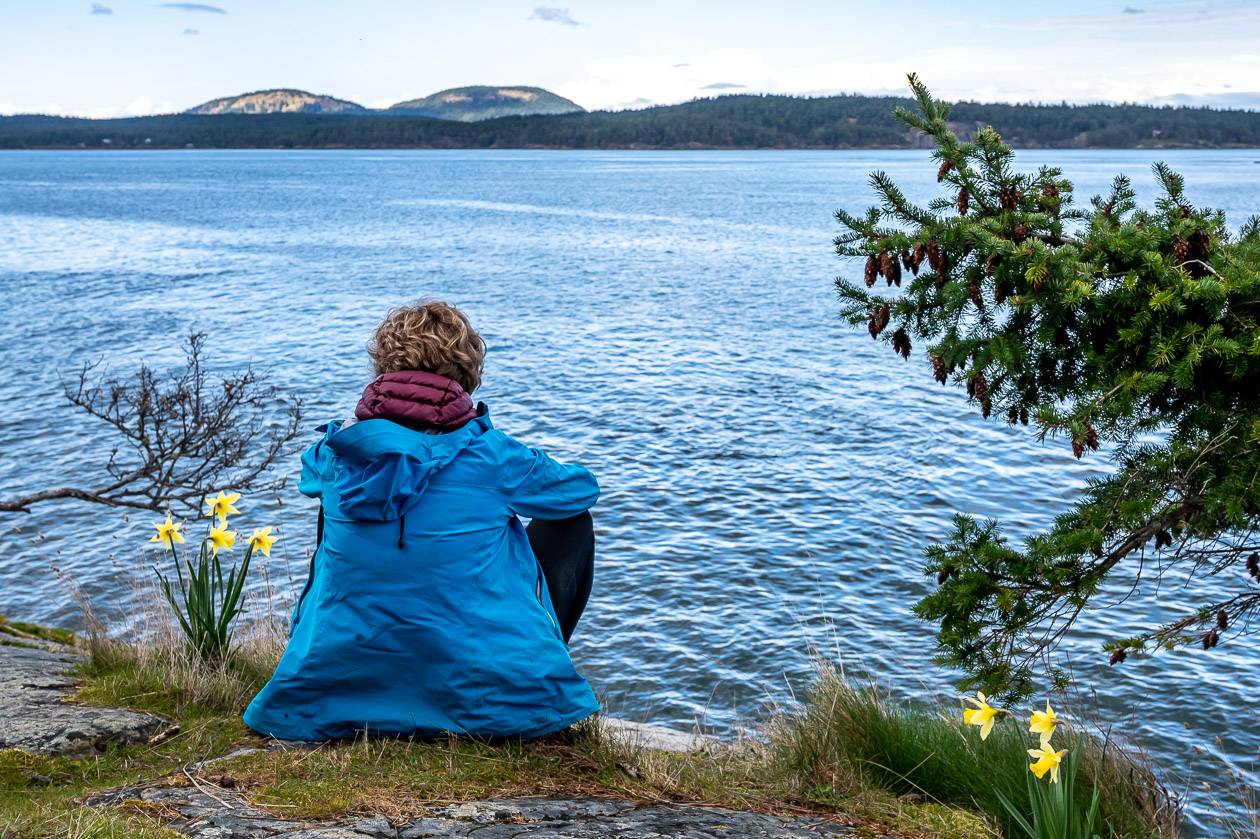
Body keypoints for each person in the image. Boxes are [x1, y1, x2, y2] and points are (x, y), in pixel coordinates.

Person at [244, 301, 600, 741]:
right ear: (468, 371)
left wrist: (361, 432)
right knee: (571, 520)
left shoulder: (337, 451)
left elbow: (309, 478)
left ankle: (342, 657)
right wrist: (489, 439)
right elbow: (580, 490)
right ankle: (527, 671)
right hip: (480, 694)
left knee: (338, 506)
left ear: (383, 365)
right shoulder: (493, 455)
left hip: (345, 673)